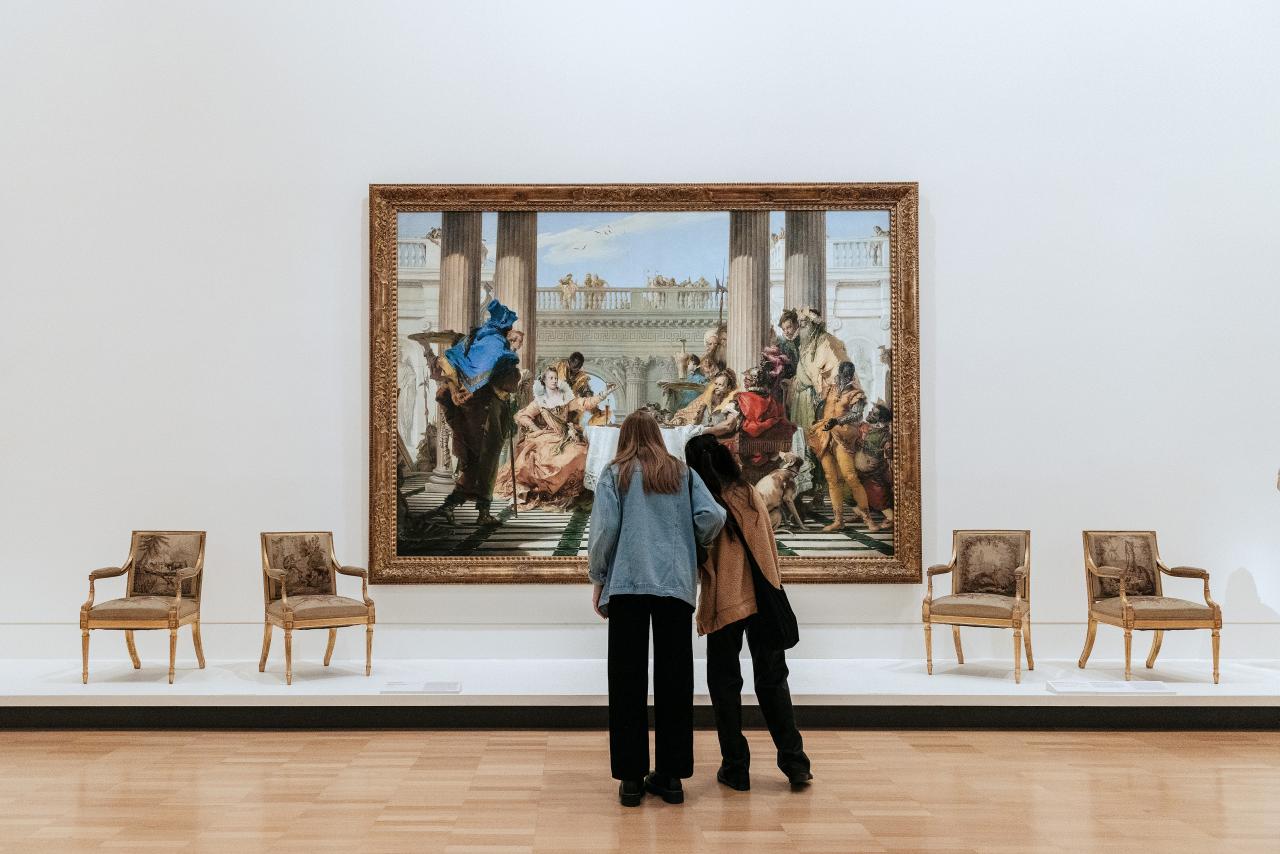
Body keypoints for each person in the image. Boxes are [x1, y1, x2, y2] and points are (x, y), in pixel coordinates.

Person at [587, 410, 726, 807]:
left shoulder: (615, 474)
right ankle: (671, 777)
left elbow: (604, 531)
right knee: (675, 681)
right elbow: (712, 517)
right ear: (659, 437)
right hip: (675, 586)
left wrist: (598, 578)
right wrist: (692, 544)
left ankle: (631, 780)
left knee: (626, 681)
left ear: (625, 438)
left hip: (627, 585)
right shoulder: (682, 474)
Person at [685, 433, 812, 792]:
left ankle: (736, 768)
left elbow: (700, 554)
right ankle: (795, 763)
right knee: (773, 682)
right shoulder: (748, 492)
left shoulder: (704, 502)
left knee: (725, 685)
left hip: (727, 601)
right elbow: (768, 543)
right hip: (763, 596)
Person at [494, 367, 615, 510]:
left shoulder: (565, 398)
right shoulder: (540, 401)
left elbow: (585, 403)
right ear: (544, 381)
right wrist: (538, 430)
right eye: (551, 378)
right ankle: (550, 489)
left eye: (556, 378)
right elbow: (523, 416)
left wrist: (604, 393)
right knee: (551, 458)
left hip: (564, 436)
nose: (554, 381)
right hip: (546, 437)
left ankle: (570, 491)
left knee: (581, 452)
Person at [809, 361, 878, 532]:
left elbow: (856, 415)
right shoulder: (830, 388)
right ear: (840, 373)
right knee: (831, 478)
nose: (845, 377)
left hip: (844, 436)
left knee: (850, 476)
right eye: (843, 374)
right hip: (825, 434)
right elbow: (820, 406)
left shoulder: (856, 393)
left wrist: (837, 421)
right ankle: (838, 520)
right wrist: (821, 419)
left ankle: (868, 519)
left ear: (852, 375)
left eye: (848, 374)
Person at [669, 369, 741, 438]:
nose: (716, 387)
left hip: (720, 441)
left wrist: (702, 432)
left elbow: (728, 425)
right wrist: (681, 419)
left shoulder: (732, 403)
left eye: (720, 385)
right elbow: (691, 413)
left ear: (728, 388)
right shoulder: (708, 399)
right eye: (716, 384)